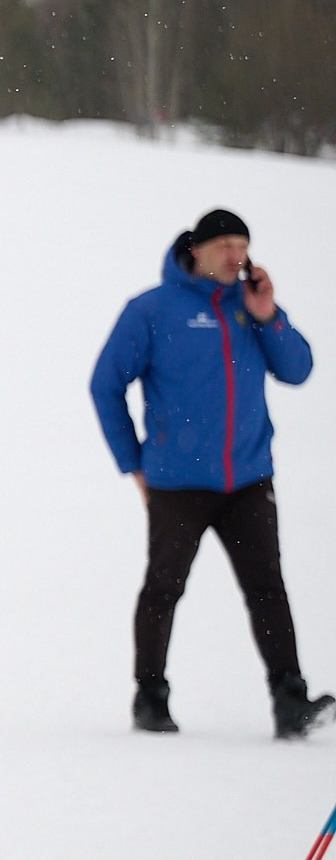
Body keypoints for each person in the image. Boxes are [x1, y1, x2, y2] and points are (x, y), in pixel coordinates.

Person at [90, 207, 324, 739]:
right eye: (225, 246)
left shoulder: (250, 307)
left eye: (243, 245)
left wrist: (269, 315)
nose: (235, 256)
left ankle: (290, 699)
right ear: (196, 250)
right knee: (164, 589)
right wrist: (135, 465)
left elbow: (298, 370)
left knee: (268, 587)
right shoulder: (152, 310)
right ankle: (150, 698)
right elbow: (105, 385)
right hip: (177, 483)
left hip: (248, 479)